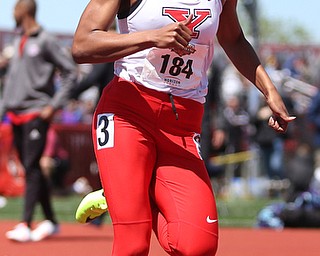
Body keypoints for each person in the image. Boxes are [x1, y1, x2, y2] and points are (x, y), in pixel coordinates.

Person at [71, 0, 295, 255]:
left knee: (198, 247)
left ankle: (130, 186)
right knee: (133, 245)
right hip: (128, 115)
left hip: (182, 126)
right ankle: (126, 186)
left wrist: (269, 90)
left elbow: (233, 39)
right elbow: (81, 45)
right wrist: (152, 37)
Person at [0, 0, 77, 242]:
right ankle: (52, 221)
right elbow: (13, 82)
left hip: (35, 113)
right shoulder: (18, 39)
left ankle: (25, 223)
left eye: (14, 7)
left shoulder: (45, 39)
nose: (12, 11)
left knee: (32, 167)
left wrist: (53, 105)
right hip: (15, 114)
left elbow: (70, 71)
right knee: (31, 168)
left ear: (25, 10)